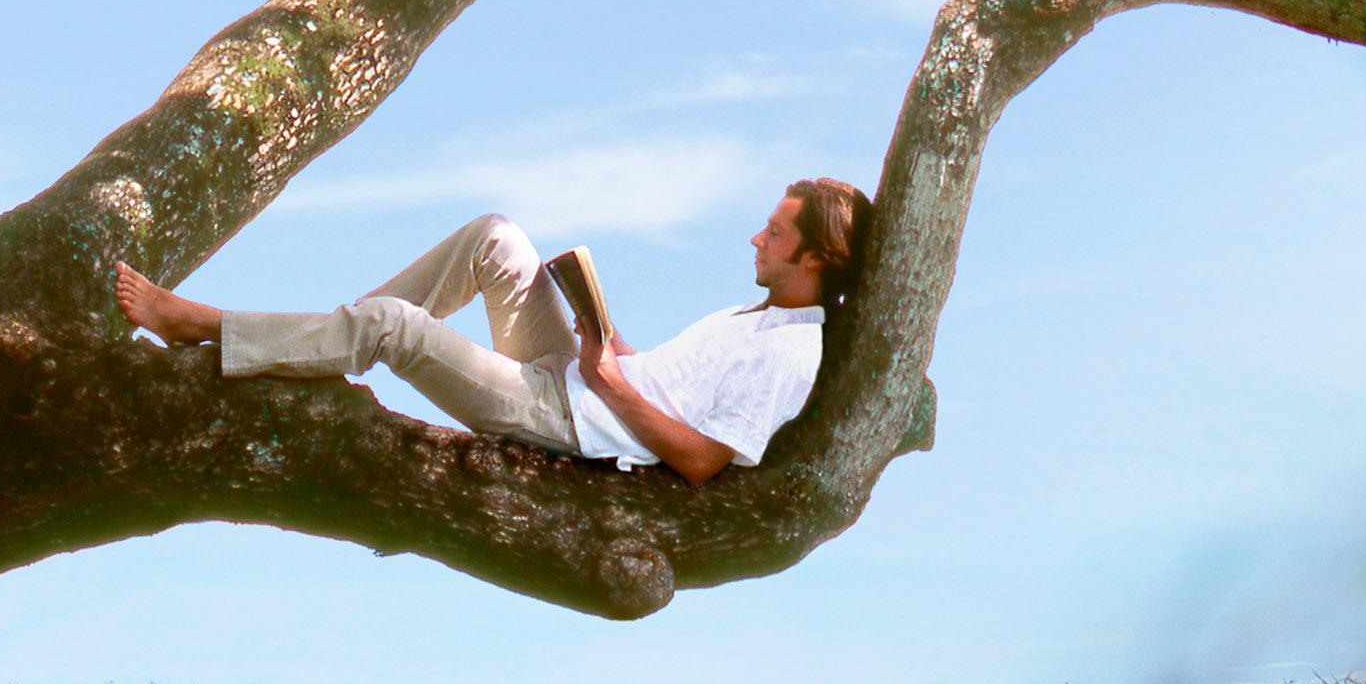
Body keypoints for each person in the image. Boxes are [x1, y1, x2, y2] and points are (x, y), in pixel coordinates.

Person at [112, 180, 872, 487]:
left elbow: (703, 459)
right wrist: (608, 342)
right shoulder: (759, 313)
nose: (755, 240)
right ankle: (320, 344)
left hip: (568, 418)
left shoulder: (792, 352)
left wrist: (607, 383)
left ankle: (205, 325)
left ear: (814, 257)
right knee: (495, 237)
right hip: (582, 378)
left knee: (391, 326)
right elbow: (673, 384)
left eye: (774, 234)